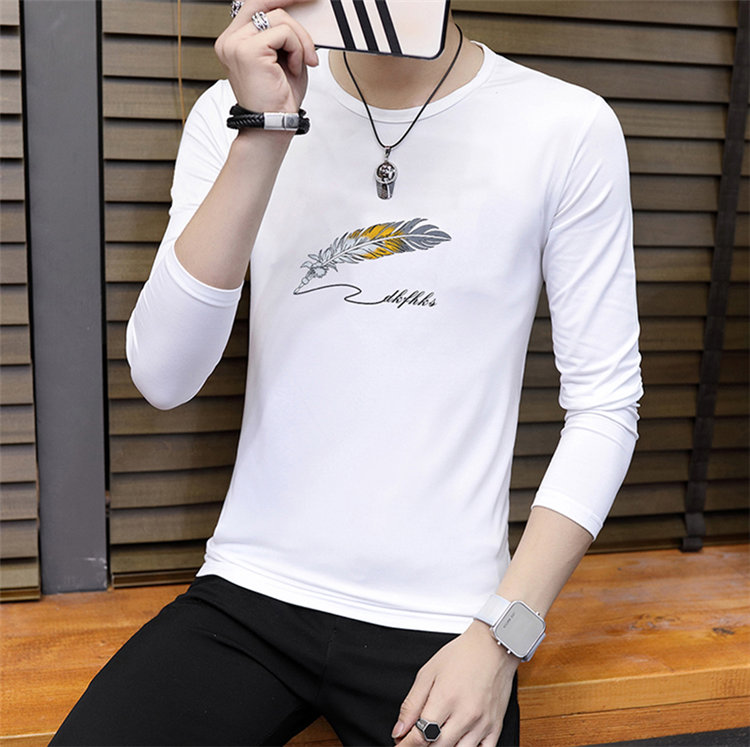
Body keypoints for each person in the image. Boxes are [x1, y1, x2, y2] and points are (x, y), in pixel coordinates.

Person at [52, 1, 643, 745]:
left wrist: (502, 635)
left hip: (446, 623)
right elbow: (164, 376)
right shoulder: (232, 111)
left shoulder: (565, 126)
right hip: (250, 594)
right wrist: (265, 131)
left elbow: (605, 407)